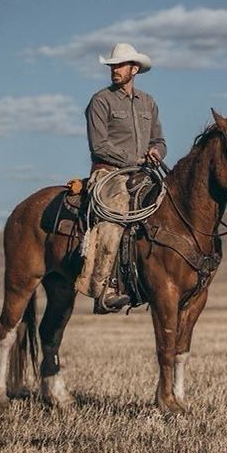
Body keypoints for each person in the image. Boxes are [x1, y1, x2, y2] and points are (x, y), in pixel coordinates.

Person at [76, 43, 167, 313]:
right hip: (108, 172)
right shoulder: (101, 101)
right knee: (115, 212)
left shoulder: (148, 102)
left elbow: (159, 140)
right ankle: (105, 289)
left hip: (144, 173)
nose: (114, 70)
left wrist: (156, 152)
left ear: (134, 69)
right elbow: (99, 145)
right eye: (112, 66)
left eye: (120, 65)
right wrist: (133, 160)